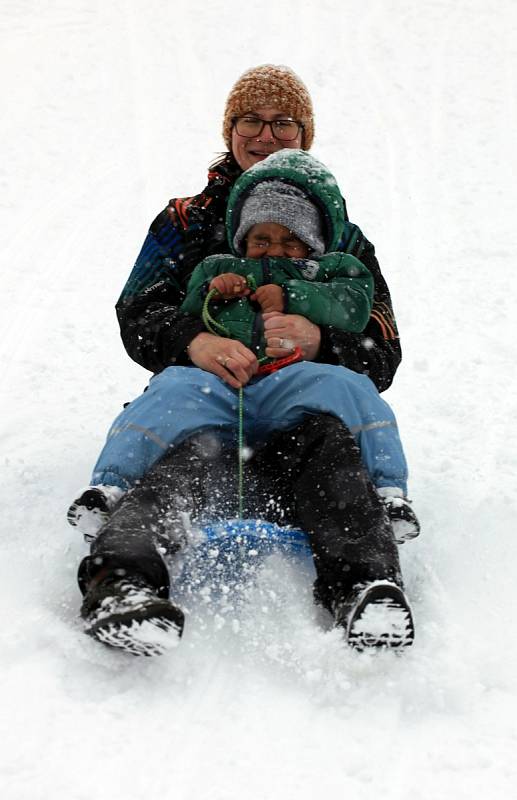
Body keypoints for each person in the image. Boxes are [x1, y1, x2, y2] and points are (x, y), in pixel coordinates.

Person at [74, 66, 416, 656]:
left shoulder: (341, 237)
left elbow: (381, 346)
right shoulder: (185, 221)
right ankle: (121, 584)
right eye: (250, 121)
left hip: (300, 416)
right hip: (207, 408)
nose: (266, 135)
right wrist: (194, 343)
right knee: (175, 472)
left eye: (283, 122)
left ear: (304, 135)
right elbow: (138, 314)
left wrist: (319, 340)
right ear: (229, 130)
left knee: (334, 458)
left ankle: (365, 588)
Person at [69, 149, 419, 545]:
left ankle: (389, 493)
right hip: (219, 385)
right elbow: (153, 311)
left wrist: (302, 310)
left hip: (292, 384)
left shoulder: (339, 262)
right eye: (261, 239)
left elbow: (358, 313)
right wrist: (206, 306)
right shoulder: (201, 242)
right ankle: (110, 487)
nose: (275, 249)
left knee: (350, 387)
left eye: (292, 241)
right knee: (169, 390)